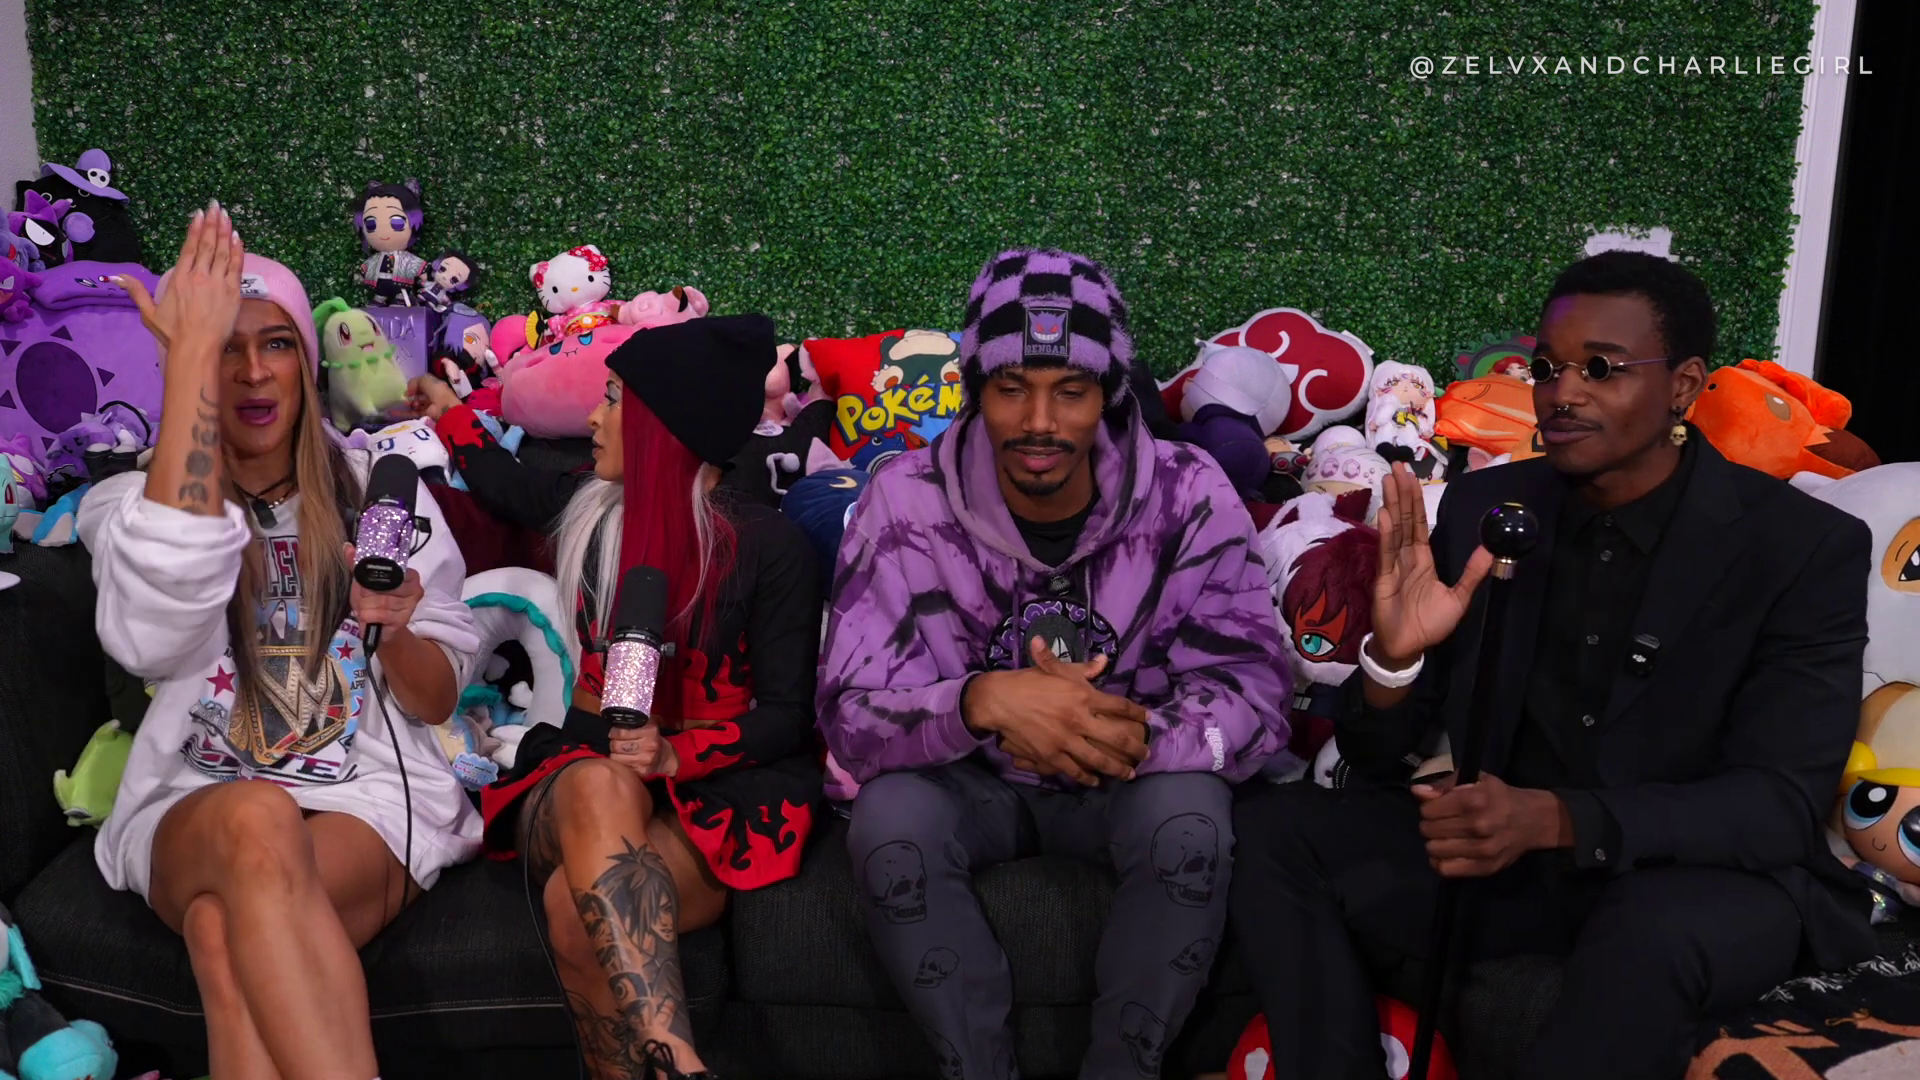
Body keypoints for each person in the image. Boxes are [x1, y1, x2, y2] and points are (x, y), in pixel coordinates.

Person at [1230, 251, 1877, 1078]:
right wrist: (1394, 660)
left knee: (1651, 932)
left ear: (1683, 386)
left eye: (1600, 368)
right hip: (1517, 862)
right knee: (1276, 829)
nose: (1562, 393)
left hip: (1698, 873)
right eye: (1547, 368)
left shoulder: (1799, 545)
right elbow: (1377, 754)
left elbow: (1776, 806)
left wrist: (1558, 819)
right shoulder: (1486, 507)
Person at [818, 248, 1291, 1078]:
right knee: (890, 821)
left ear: (1109, 393)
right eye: (1011, 387)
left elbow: (1255, 688)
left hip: (1132, 776)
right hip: (973, 784)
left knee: (1190, 818)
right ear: (976, 390)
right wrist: (984, 702)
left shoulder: (1189, 491)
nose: (1039, 421)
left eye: (1070, 390)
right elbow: (850, 712)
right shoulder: (905, 499)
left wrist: (1129, 735)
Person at [78, 202, 481, 1080]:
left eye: (276, 344)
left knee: (222, 934)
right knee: (256, 816)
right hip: (197, 797)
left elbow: (437, 701)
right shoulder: (129, 507)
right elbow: (151, 640)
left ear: (309, 359)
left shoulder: (380, 493)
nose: (253, 372)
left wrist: (397, 629)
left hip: (363, 798)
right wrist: (185, 367)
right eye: (223, 347)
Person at [408, 314, 822, 1080]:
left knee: (576, 914)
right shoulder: (592, 514)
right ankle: (678, 1055)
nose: (594, 419)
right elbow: (504, 481)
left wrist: (677, 754)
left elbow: (789, 719)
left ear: (666, 426)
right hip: (582, 774)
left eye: (612, 400)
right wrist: (449, 409)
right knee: (599, 781)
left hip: (712, 790)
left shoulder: (772, 549)